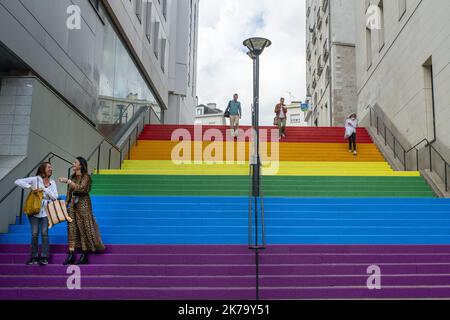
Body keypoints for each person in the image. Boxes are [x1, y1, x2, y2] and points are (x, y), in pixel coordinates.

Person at [59, 157, 105, 265]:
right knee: (71, 228)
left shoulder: (86, 177)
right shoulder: (72, 177)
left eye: (75, 162)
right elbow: (69, 192)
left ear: (81, 165)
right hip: (72, 205)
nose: (73, 163)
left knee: (83, 227)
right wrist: (65, 205)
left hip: (83, 204)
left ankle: (85, 253)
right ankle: (71, 254)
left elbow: (82, 188)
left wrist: (68, 181)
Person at [15, 162, 58, 266]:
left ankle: (44, 257)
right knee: (34, 234)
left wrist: (45, 189)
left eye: (51, 167)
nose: (51, 169)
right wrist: (30, 187)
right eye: (49, 167)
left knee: (44, 234)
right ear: (43, 169)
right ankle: (33, 257)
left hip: (46, 211)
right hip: (34, 210)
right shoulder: (35, 179)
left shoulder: (52, 182)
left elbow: (55, 197)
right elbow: (17, 181)